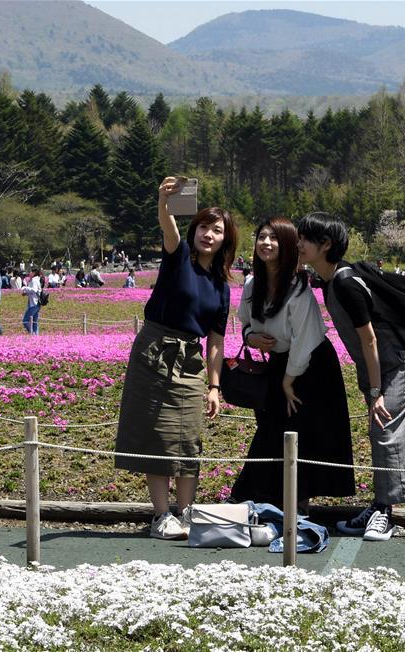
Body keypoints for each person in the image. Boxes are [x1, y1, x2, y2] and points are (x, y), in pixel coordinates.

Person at [115, 177, 237, 540]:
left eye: (217, 230)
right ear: (193, 229)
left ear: (226, 240)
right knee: (158, 435)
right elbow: (168, 226)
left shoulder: (222, 287)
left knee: (187, 437)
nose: (208, 235)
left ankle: (186, 513)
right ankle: (161, 515)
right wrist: (163, 201)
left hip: (190, 361)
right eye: (203, 227)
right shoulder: (178, 254)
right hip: (154, 351)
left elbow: (216, 341)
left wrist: (214, 386)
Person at [297, 212, 405, 542]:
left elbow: (368, 339)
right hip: (384, 364)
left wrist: (375, 391)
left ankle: (385, 512)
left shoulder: (344, 282)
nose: (298, 243)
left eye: (305, 238)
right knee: (379, 429)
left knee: (384, 428)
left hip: (402, 360)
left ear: (325, 245)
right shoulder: (329, 280)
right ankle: (380, 505)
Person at [230, 218, 355, 510]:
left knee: (304, 431)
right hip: (280, 364)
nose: (266, 243)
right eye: (262, 237)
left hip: (312, 367)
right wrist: (250, 338)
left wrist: (289, 381)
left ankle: (294, 504)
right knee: (272, 429)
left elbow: (304, 338)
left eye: (274, 238)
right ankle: (262, 498)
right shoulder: (252, 284)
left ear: (287, 244)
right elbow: (244, 322)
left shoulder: (298, 288)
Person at [21, 267, 42, 335]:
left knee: (25, 320)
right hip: (37, 303)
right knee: (35, 322)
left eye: (30, 271)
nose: (29, 273)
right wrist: (26, 293)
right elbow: (34, 291)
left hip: (34, 303)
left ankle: (32, 333)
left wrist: (25, 288)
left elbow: (34, 290)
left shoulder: (34, 280)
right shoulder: (36, 279)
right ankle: (36, 336)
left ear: (34, 273)